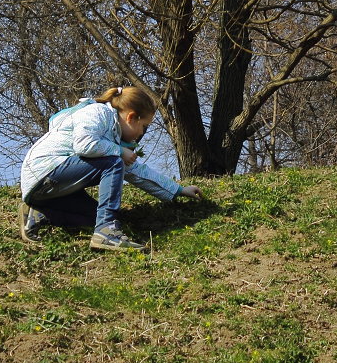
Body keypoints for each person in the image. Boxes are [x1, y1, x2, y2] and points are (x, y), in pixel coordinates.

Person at [19, 85, 203, 252]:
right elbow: (84, 145)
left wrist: (178, 190)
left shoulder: (112, 137)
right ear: (131, 117)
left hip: (48, 189)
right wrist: (119, 151)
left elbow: (137, 171)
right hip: (44, 172)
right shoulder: (97, 113)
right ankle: (107, 232)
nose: (141, 133)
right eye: (143, 126)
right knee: (113, 163)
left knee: (97, 215)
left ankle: (39, 214)